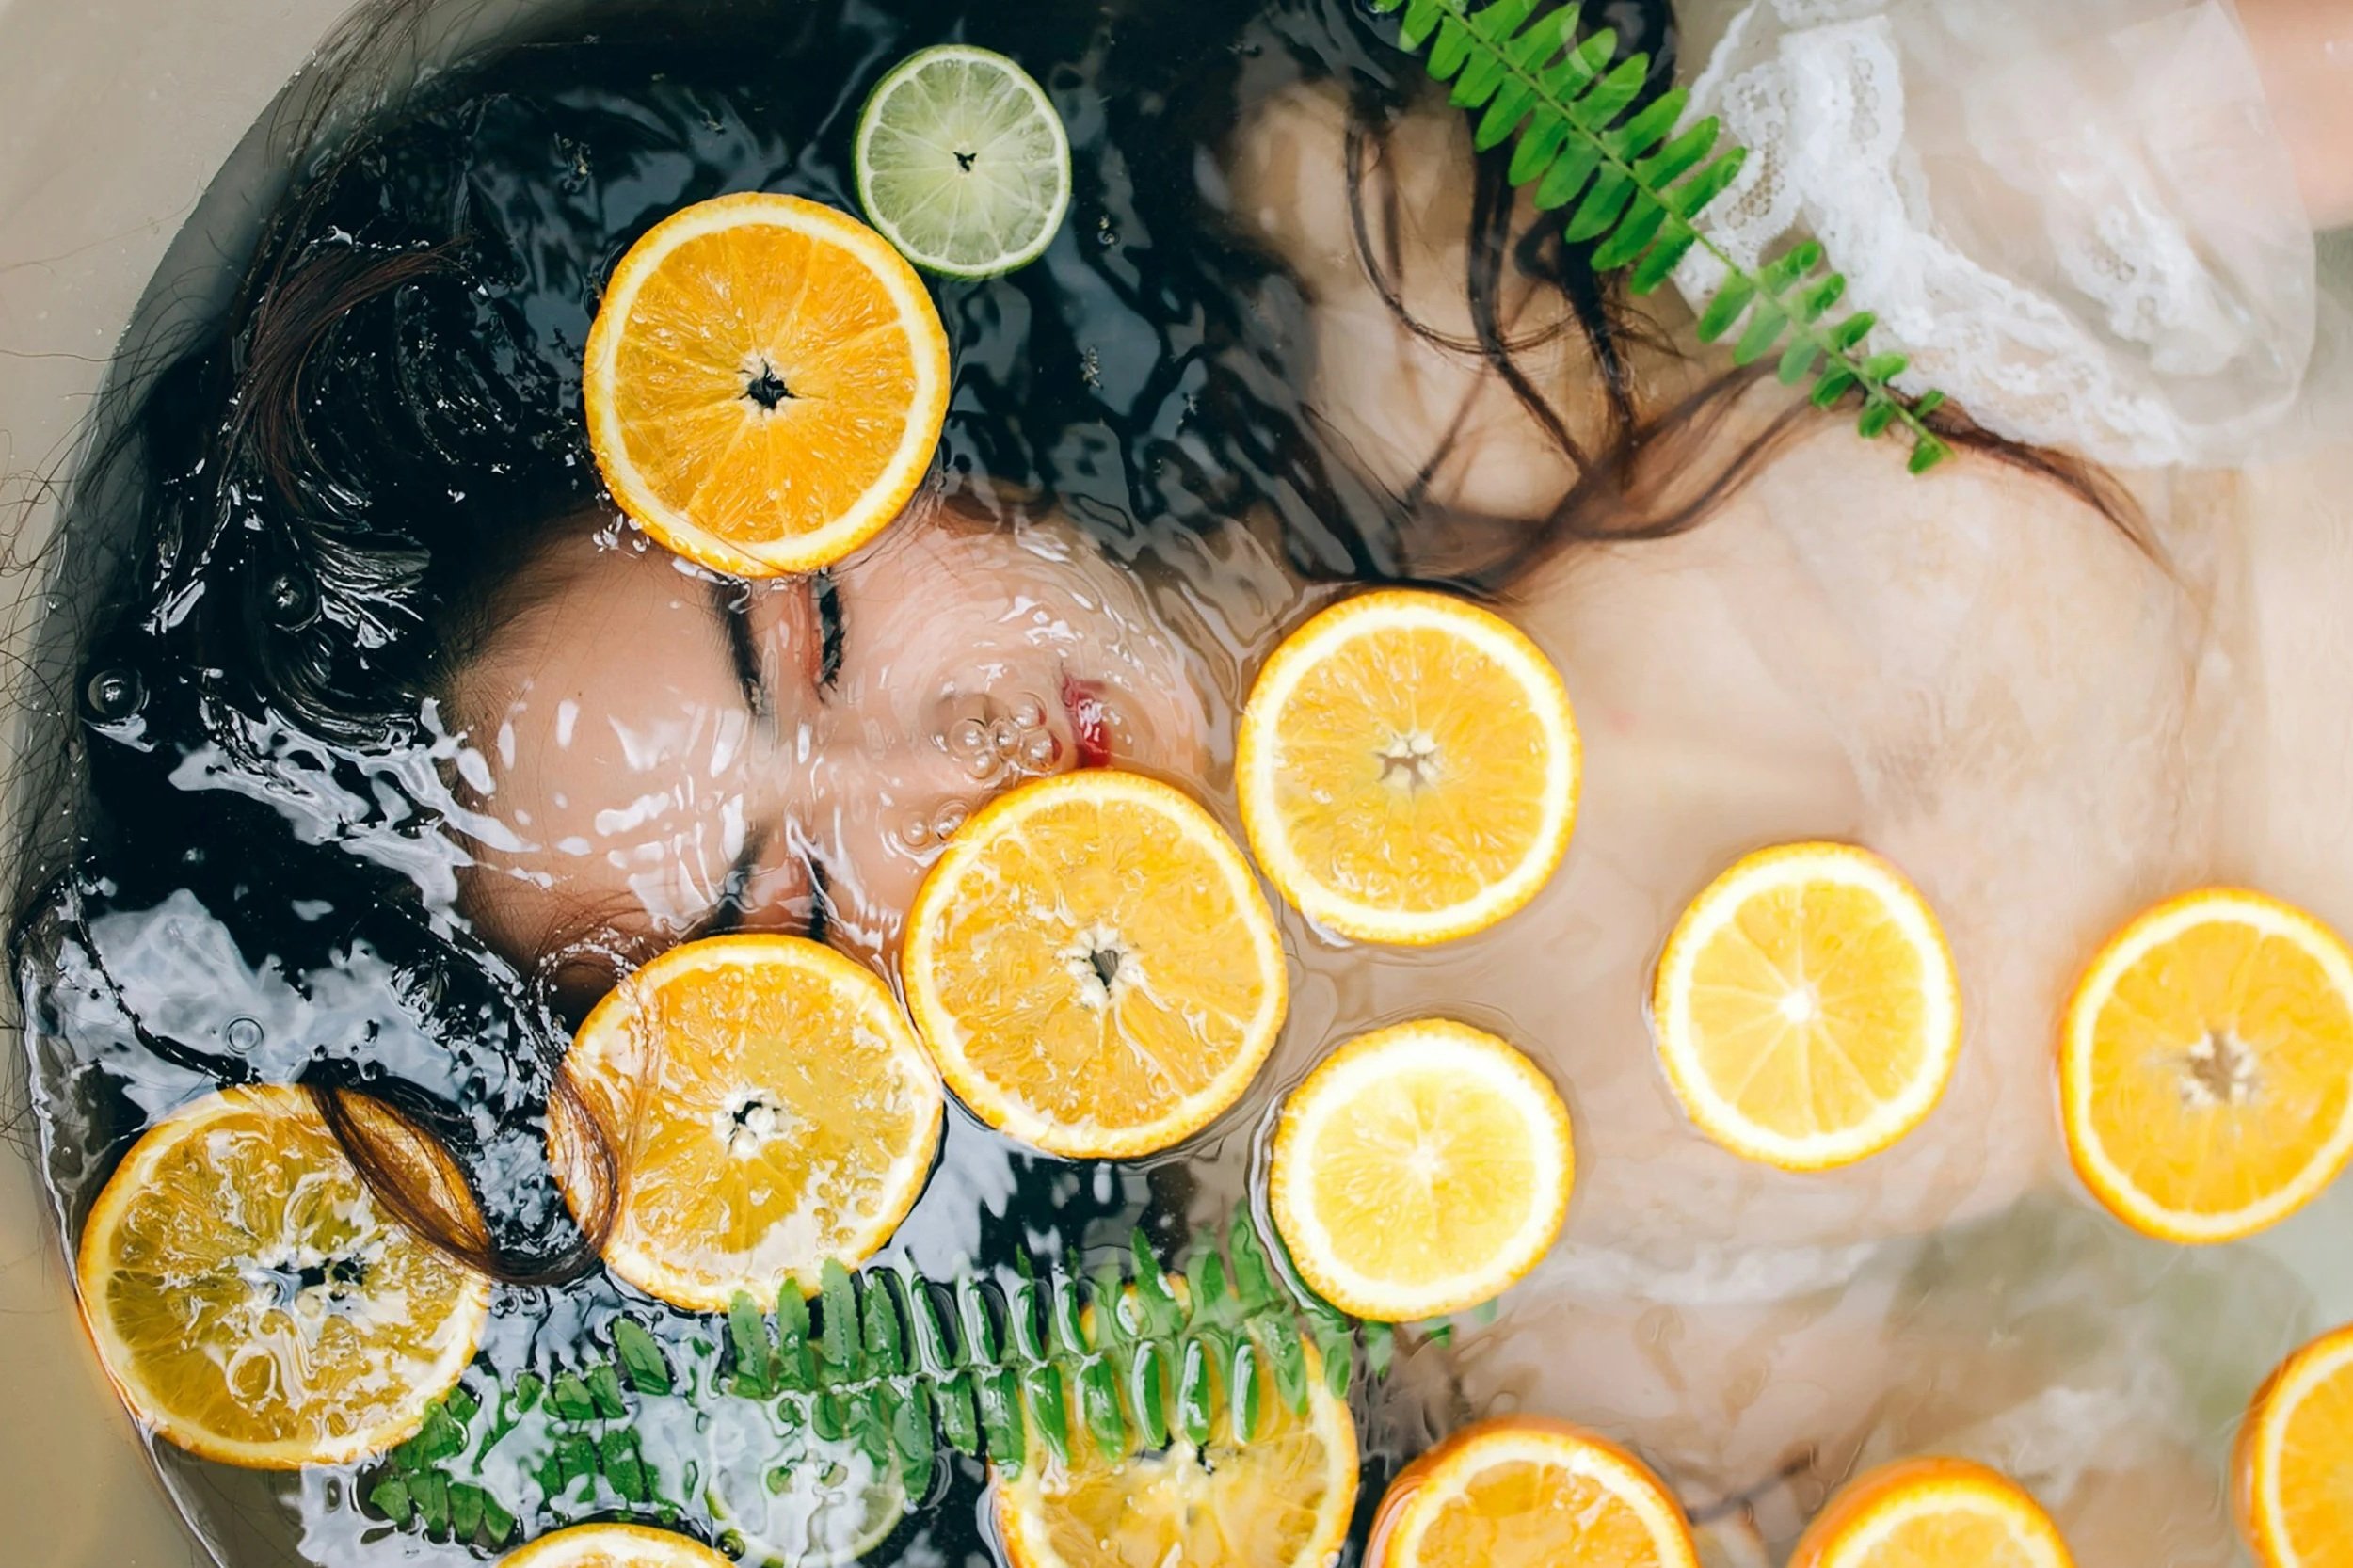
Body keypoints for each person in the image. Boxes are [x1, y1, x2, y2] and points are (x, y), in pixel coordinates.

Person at [13, 0, 2350, 1561]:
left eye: (811, 623)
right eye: (791, 918)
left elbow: (2210, 92)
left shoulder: (1444, 261)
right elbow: (2100, 1464)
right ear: (818, 1114)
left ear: (878, 429)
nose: (951, 777)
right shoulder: (1462, 1286)